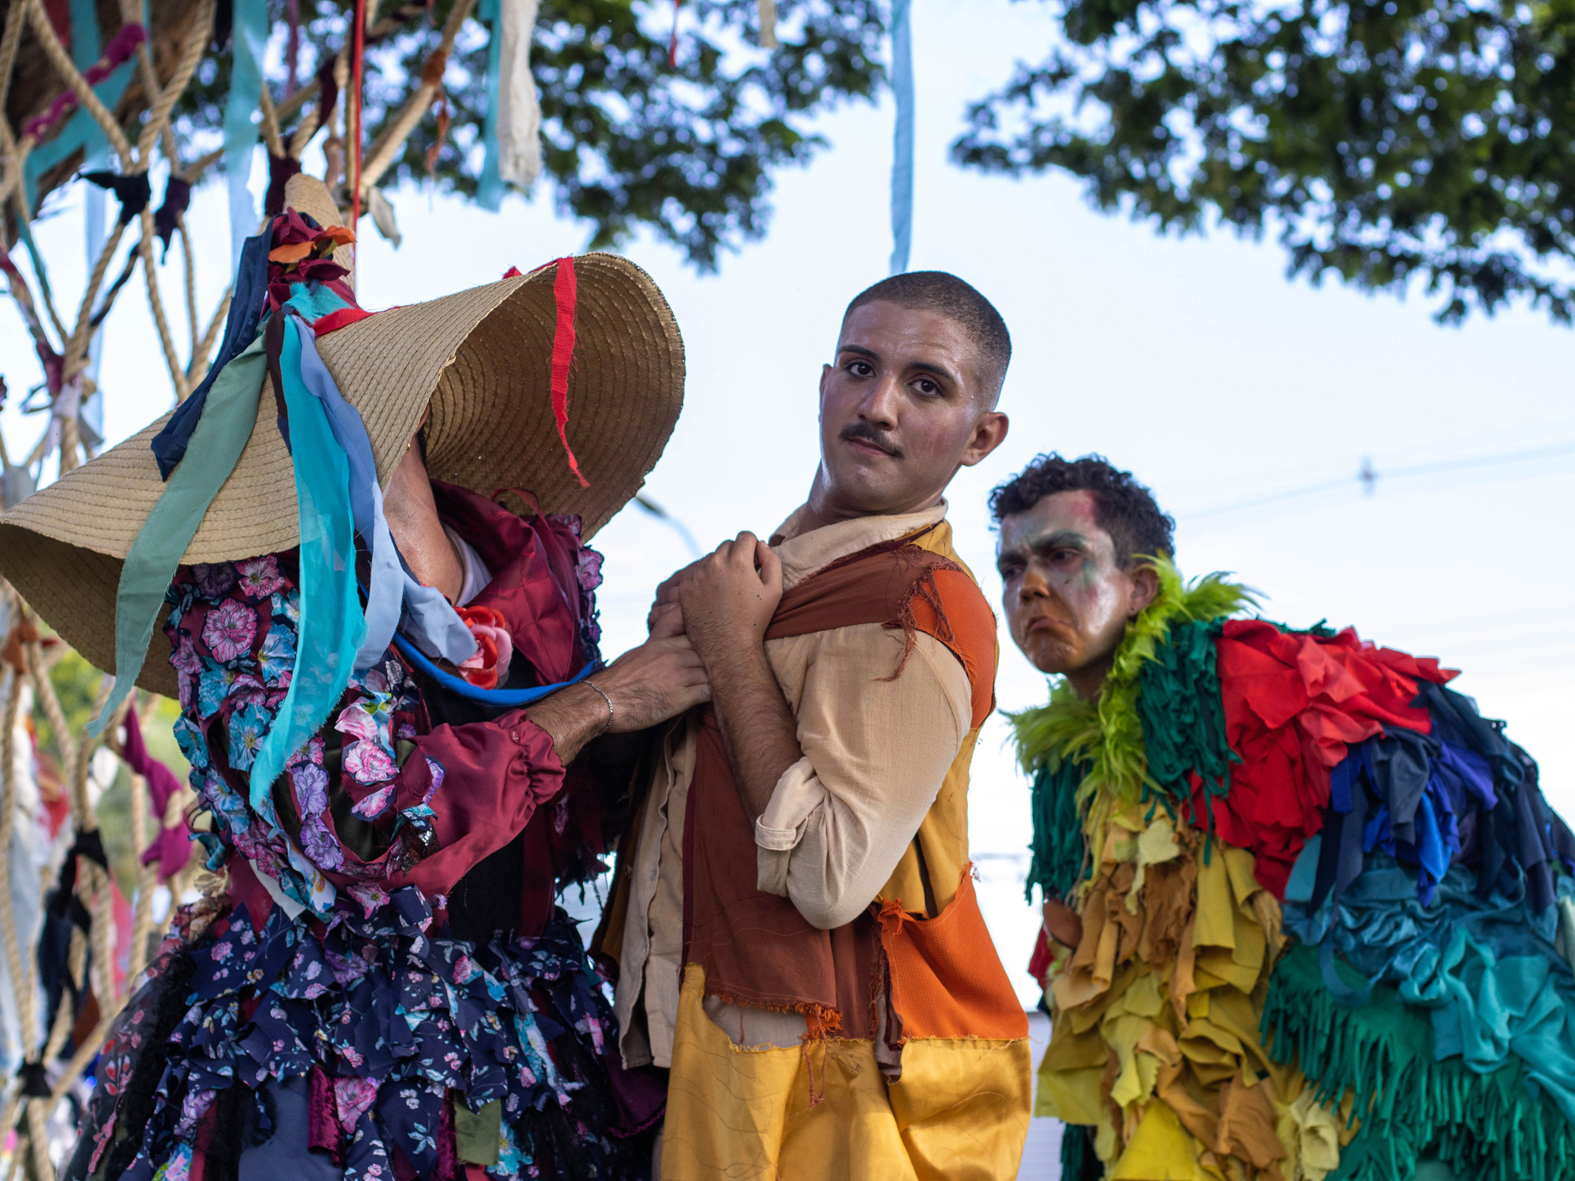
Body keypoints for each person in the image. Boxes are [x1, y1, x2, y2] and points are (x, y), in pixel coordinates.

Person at [0, 176, 694, 1179]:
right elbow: (359, 829)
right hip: (324, 1066)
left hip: (528, 1054)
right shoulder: (249, 599)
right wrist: (603, 702)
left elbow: (577, 829)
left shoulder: (519, 569)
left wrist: (668, 692)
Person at [991, 453, 1575, 1181]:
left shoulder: (1242, 676)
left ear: (1140, 585)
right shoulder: (1062, 774)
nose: (1029, 586)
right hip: (1184, 1099)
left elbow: (1443, 798)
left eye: (1059, 555)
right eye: (1011, 568)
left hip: (1319, 1081)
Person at [594, 271, 1032, 1179]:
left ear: (980, 436)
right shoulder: (754, 581)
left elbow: (829, 877)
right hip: (671, 1065)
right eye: (860, 367)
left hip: (814, 1102)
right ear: (823, 382)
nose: (878, 406)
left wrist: (728, 648)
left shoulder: (917, 599)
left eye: (926, 385)